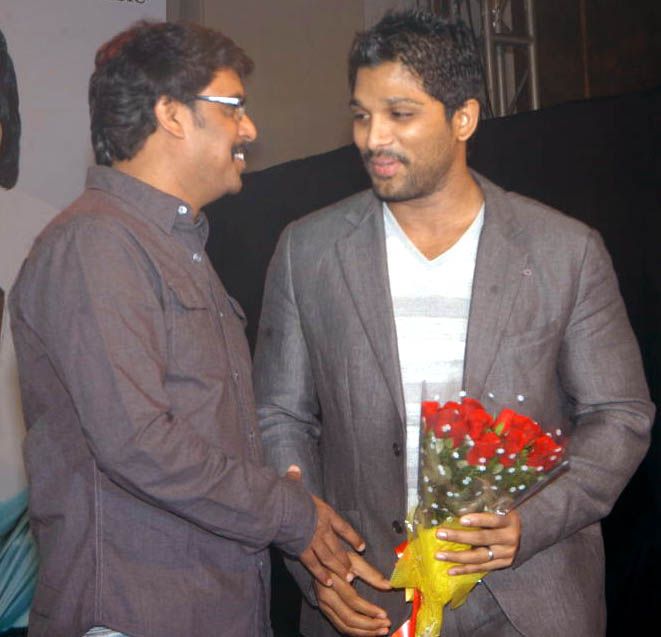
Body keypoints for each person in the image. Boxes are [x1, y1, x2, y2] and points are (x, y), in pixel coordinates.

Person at [253, 10, 654, 637]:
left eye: (400, 114)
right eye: (361, 115)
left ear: (463, 117)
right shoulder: (308, 251)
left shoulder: (563, 251)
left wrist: (531, 523)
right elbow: (279, 418)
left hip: (529, 599)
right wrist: (317, 564)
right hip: (368, 596)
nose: (373, 138)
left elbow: (620, 415)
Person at [9, 21, 367, 637]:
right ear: (171, 114)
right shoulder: (95, 244)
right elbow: (138, 441)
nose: (249, 129)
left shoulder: (169, 246)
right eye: (233, 107)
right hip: (135, 615)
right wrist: (289, 512)